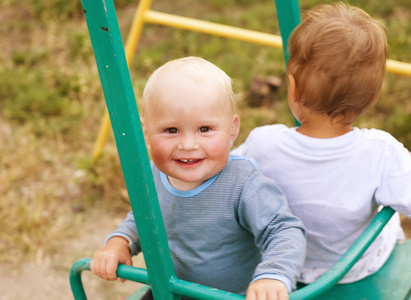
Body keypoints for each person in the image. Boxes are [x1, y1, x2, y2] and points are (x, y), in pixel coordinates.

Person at [90, 56, 306, 299]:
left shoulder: (243, 182)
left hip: (232, 295)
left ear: (232, 130)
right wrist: (120, 241)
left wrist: (273, 275)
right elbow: (143, 219)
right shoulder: (151, 175)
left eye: (205, 129)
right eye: (171, 130)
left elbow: (284, 230)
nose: (188, 144)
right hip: (173, 291)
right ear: (147, 134)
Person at [233, 2, 411, 284]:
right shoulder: (383, 152)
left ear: (292, 87)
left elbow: (225, 174)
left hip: (281, 265)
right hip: (353, 267)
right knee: (388, 223)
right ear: (370, 98)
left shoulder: (263, 143)